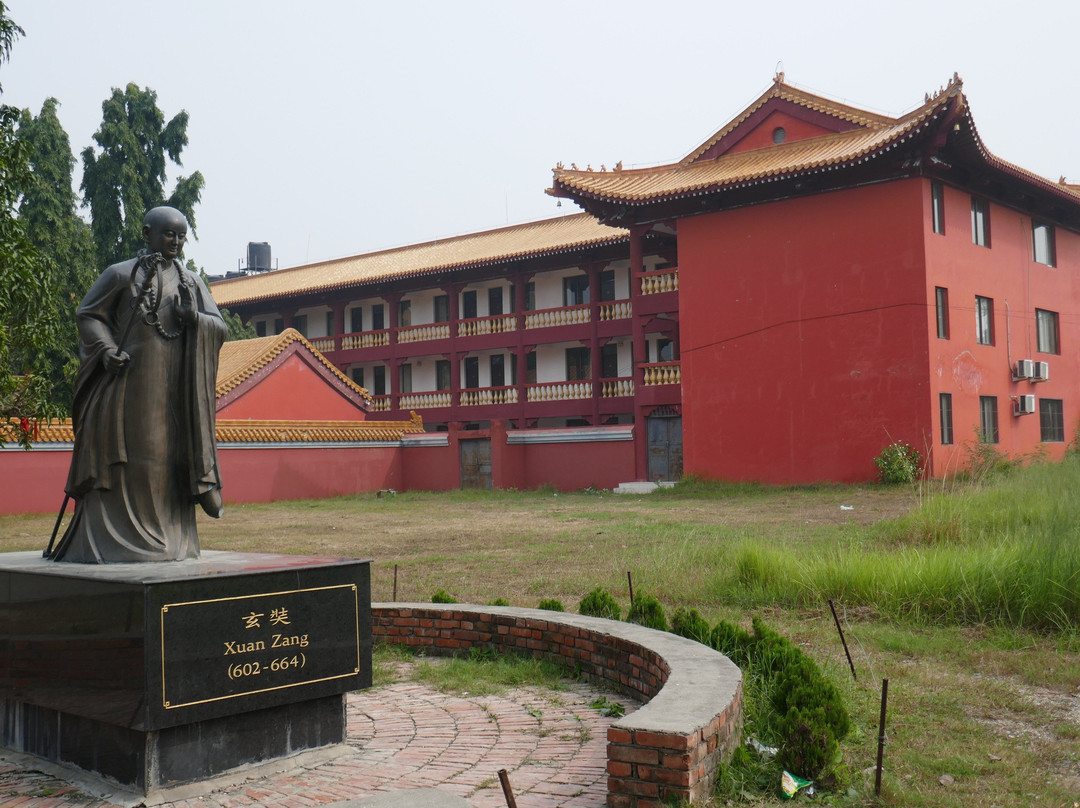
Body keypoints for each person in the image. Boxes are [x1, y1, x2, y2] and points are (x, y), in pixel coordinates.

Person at [49, 206, 227, 563]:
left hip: (179, 387)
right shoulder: (119, 275)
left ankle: (173, 539)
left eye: (181, 236)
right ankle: (128, 540)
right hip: (132, 382)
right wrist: (105, 349)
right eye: (168, 234)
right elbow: (88, 314)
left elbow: (219, 328)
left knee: (173, 455)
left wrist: (195, 319)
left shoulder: (192, 281)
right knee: (140, 454)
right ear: (147, 233)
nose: (175, 242)